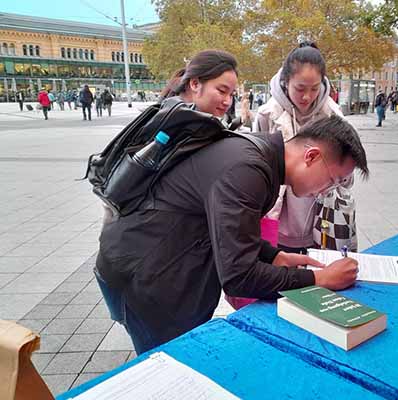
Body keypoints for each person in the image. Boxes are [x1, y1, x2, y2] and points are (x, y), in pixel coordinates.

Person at [95, 49, 368, 354]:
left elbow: (225, 229)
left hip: (160, 267)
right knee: (166, 368)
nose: (326, 191)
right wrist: (319, 278)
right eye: (331, 179)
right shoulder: (248, 169)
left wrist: (273, 255)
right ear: (312, 156)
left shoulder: (259, 158)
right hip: (146, 279)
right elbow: (239, 277)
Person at [253, 42, 358, 253]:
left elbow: (347, 177)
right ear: (285, 81)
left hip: (322, 220)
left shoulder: (333, 115)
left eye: (314, 88)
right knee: (281, 277)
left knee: (321, 279)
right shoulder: (268, 115)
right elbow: (256, 167)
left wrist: (335, 176)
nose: (307, 97)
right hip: (278, 219)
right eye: (300, 88)